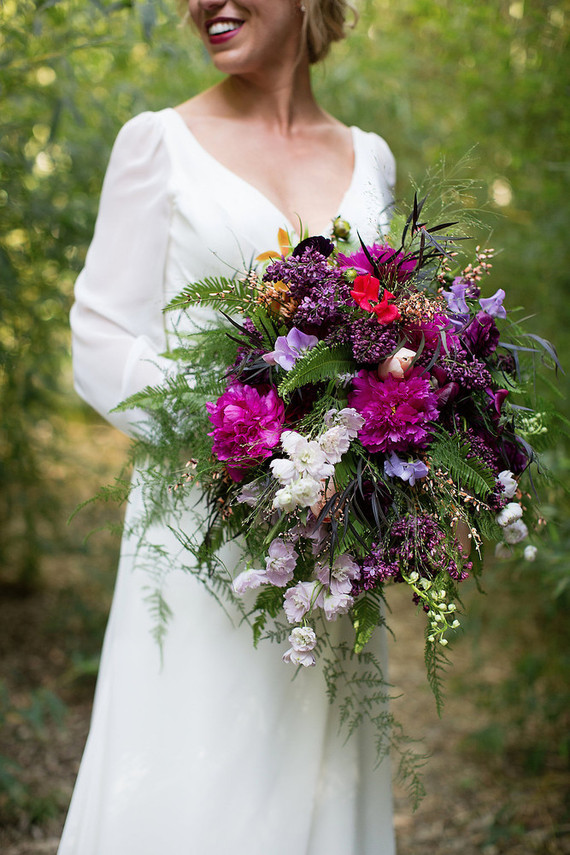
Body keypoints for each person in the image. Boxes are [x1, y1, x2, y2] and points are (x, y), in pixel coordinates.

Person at [59, 0, 397, 852]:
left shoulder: (371, 161)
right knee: (197, 788)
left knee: (321, 786)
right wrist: (241, 443)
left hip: (335, 552)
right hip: (199, 541)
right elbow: (101, 338)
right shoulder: (158, 144)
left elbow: (397, 340)